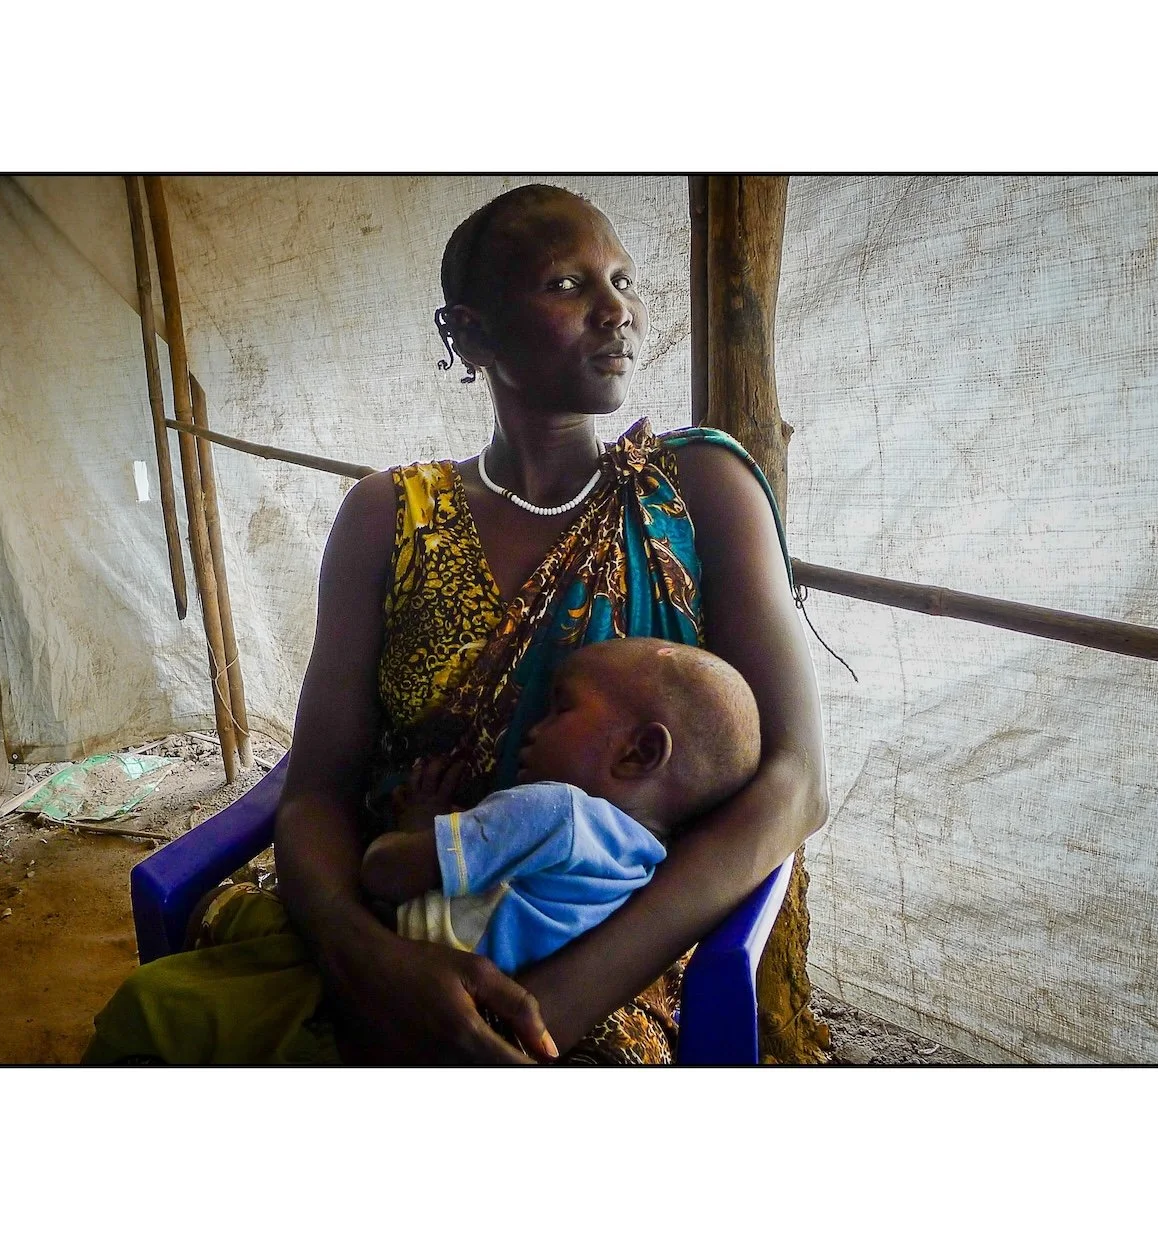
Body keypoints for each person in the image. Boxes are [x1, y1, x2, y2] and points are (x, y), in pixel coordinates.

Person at [84, 182, 826, 1065]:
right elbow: (319, 788)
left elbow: (796, 781)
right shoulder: (388, 517)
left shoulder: (698, 490)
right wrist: (374, 963)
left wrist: (543, 1006)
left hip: (597, 948)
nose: (614, 310)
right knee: (158, 1022)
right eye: (567, 285)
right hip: (390, 912)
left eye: (623, 280)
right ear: (469, 333)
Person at [363, 639, 762, 978]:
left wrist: (417, 821)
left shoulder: (556, 812)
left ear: (639, 753)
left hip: (404, 971)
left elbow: (384, 873)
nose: (534, 729)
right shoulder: (644, 867)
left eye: (562, 708)